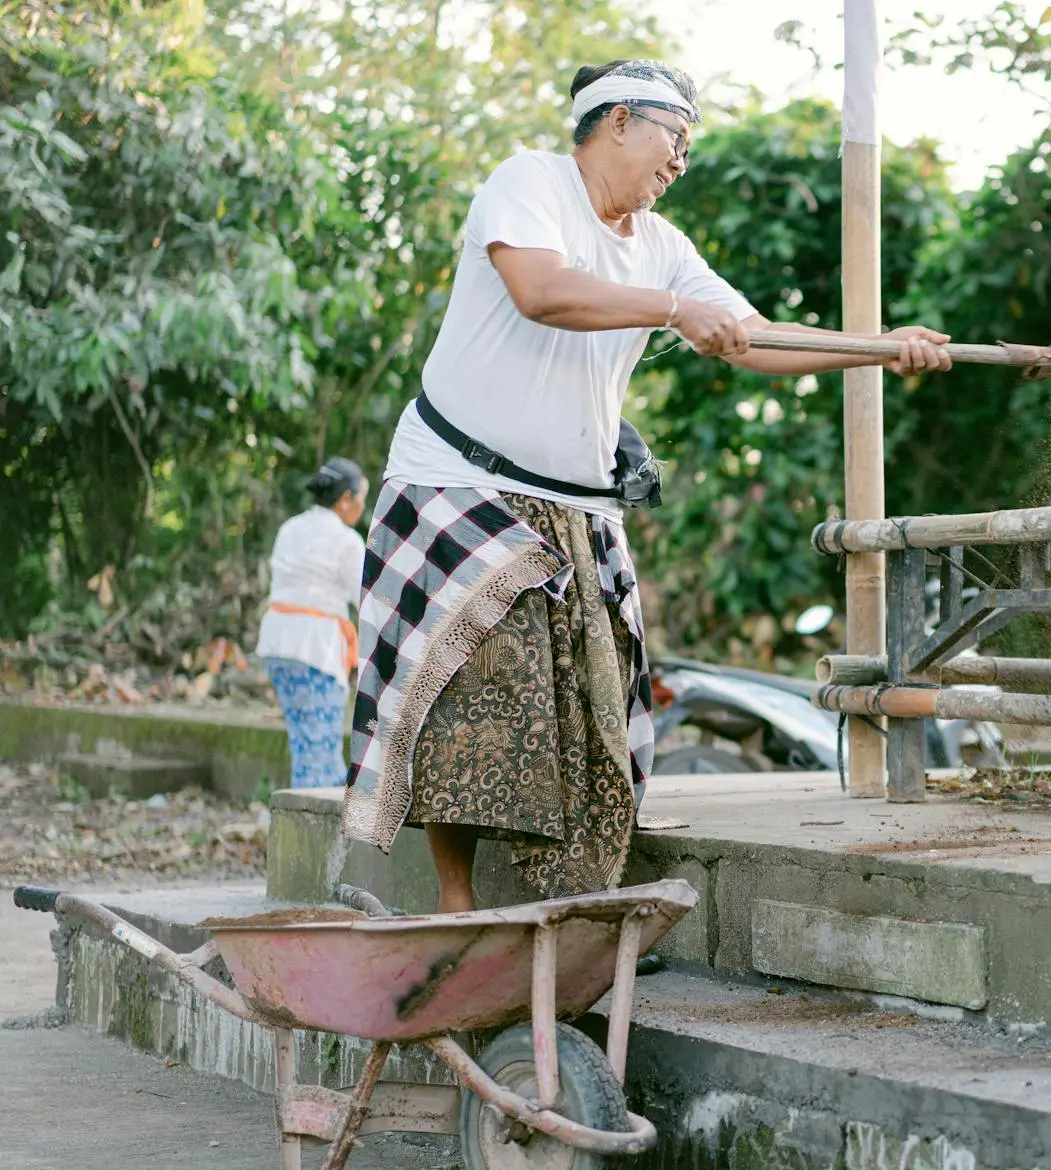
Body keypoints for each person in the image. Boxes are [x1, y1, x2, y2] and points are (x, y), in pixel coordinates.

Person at [340, 59, 952, 913]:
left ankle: (554, 917)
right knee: (481, 697)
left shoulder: (663, 248)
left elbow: (756, 339)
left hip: (578, 507)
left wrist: (881, 346)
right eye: (675, 139)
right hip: (460, 490)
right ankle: (456, 905)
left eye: (689, 151)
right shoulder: (532, 183)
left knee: (587, 723)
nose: (679, 164)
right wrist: (670, 309)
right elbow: (541, 291)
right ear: (619, 119)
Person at [256, 458, 368, 788]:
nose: (363, 506)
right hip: (314, 649)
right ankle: (312, 830)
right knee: (320, 752)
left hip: (278, 645)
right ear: (345, 499)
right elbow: (365, 598)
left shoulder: (290, 527)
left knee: (306, 745)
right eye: (361, 497)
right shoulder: (346, 541)